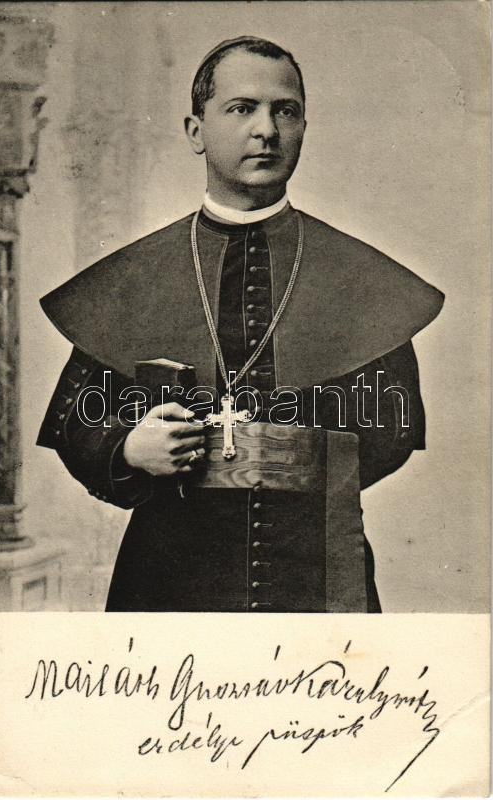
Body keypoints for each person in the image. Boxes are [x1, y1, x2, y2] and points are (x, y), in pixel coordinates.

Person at [37, 36, 444, 613]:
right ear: (196, 131)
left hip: (316, 567)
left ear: (303, 128)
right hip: (169, 574)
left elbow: (393, 429)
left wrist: (293, 457)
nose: (266, 130)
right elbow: (77, 423)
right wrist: (126, 448)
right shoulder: (135, 276)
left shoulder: (358, 276)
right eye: (242, 108)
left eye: (286, 111)